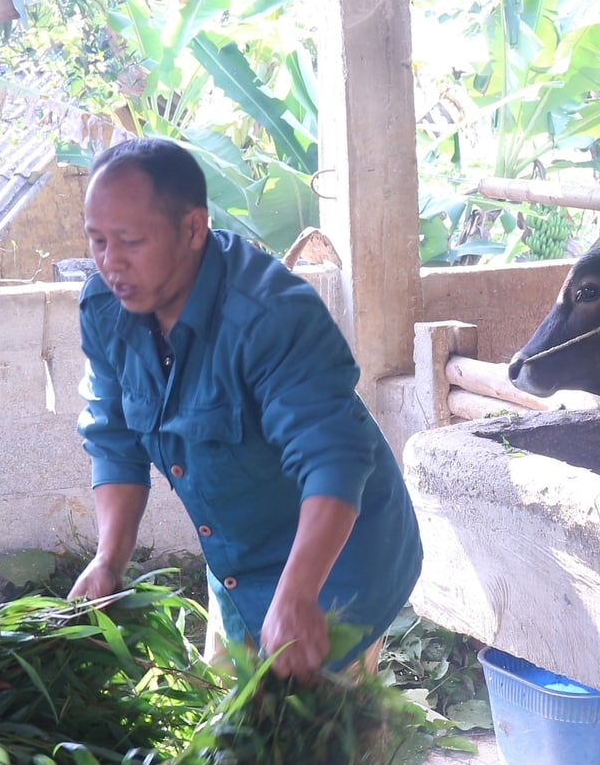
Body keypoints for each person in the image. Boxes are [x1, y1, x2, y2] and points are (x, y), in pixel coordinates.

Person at [67, 137, 421, 680]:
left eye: (131, 241)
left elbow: (333, 463)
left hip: (336, 558)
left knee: (315, 738)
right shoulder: (108, 310)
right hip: (237, 560)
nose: (112, 263)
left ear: (192, 228)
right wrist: (108, 560)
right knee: (231, 723)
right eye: (97, 242)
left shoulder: (270, 316)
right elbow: (115, 438)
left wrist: (300, 595)